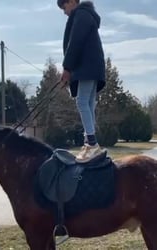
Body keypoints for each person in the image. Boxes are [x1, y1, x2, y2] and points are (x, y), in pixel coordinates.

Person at [57, 0, 106, 163]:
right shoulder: (87, 15)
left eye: (64, 7)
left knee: (82, 101)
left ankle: (91, 143)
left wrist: (67, 68)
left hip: (87, 66)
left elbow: (75, 42)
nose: (64, 12)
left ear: (71, 2)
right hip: (93, 66)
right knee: (90, 103)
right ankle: (90, 143)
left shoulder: (81, 14)